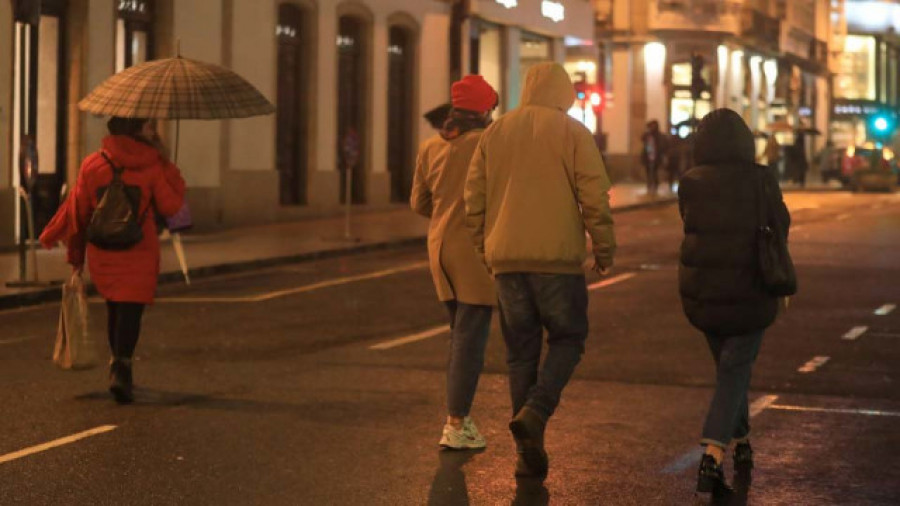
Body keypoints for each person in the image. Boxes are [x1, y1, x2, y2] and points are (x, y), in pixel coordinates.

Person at [465, 62, 616, 480]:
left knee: (520, 355)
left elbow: (473, 198)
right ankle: (536, 411)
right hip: (558, 264)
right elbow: (595, 198)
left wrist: (485, 249)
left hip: (508, 264)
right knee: (569, 339)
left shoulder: (496, 133)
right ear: (564, 93)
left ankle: (526, 450)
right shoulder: (573, 133)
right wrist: (604, 250)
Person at [678, 109, 791, 495]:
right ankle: (712, 454)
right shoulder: (761, 180)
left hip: (703, 293)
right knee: (733, 370)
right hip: (750, 291)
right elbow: (781, 226)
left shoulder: (690, 182)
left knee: (730, 371)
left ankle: (742, 442)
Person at [41, 117, 185, 404]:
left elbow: (79, 215)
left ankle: (117, 365)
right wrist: (169, 166)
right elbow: (171, 206)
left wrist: (76, 257)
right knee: (131, 309)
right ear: (136, 131)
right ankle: (122, 367)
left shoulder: (93, 164)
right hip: (139, 248)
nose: (153, 130)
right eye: (148, 126)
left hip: (103, 249)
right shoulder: (152, 164)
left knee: (115, 307)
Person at [411, 76, 498, 450]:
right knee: (469, 340)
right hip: (473, 252)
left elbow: (419, 203)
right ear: (483, 110)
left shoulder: (431, 146)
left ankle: (458, 418)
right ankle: (456, 423)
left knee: (458, 334)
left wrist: (445, 211)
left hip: (439, 250)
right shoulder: (487, 143)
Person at [641, 120, 668, 196]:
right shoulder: (647, 134)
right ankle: (649, 185)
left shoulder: (659, 135)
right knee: (648, 172)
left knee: (654, 172)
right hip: (647, 156)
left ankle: (655, 186)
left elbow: (663, 145)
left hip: (656, 156)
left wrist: (663, 154)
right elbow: (642, 139)